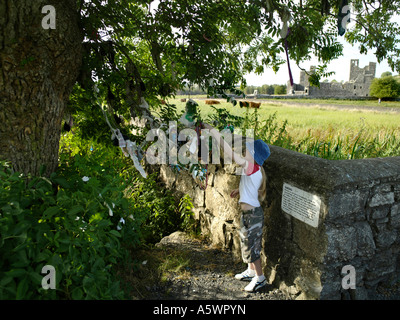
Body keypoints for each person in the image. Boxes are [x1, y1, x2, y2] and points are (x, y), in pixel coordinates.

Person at [204, 123, 270, 292]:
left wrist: (213, 131)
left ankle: (260, 278)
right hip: (248, 213)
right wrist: (238, 191)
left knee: (253, 246)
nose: (243, 152)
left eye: (247, 150)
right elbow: (250, 187)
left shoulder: (250, 166)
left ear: (253, 155)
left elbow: (229, 153)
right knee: (246, 241)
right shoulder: (254, 169)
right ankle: (250, 270)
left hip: (253, 215)